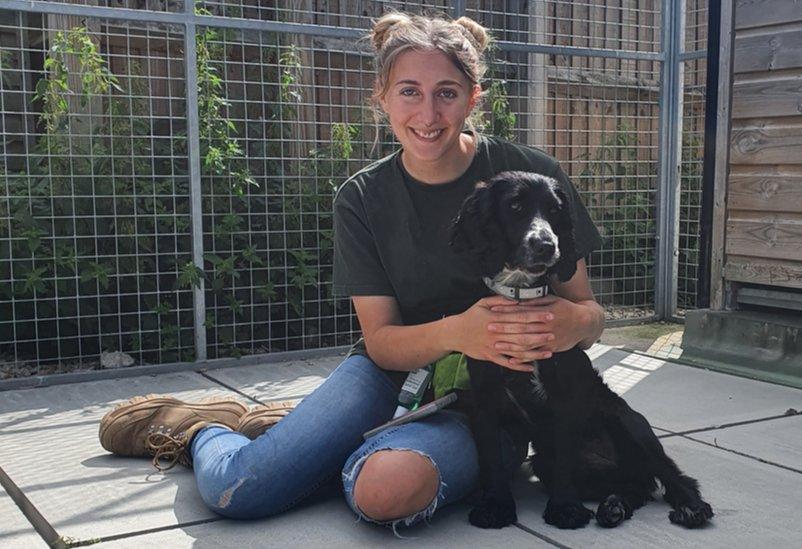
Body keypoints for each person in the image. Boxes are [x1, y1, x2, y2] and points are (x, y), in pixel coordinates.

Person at [98, 11, 605, 530]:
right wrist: (462, 332)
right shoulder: (362, 198)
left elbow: (588, 312)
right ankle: (204, 429)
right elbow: (382, 341)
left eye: (447, 93)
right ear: (381, 97)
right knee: (240, 492)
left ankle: (311, 440)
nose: (427, 112)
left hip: (497, 396)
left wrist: (576, 324)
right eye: (409, 91)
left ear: (474, 99)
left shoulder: (534, 176)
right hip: (389, 373)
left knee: (385, 494)